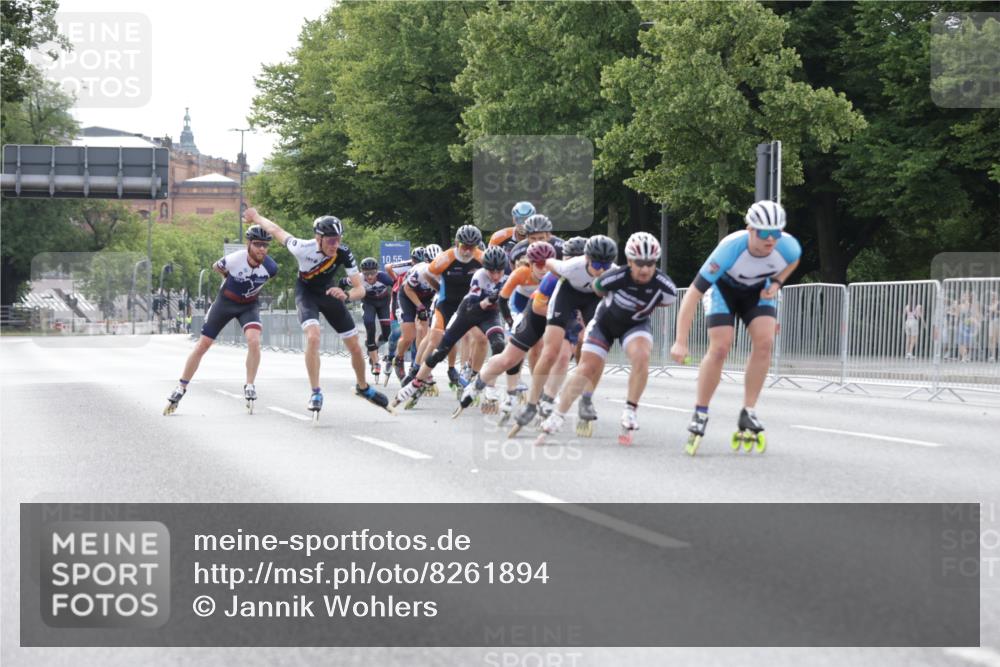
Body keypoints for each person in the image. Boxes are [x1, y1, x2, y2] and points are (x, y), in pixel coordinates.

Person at [670, 200, 801, 455]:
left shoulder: (788, 246)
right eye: (764, 233)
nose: (770, 239)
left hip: (757, 292)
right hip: (723, 290)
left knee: (765, 343)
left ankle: (748, 410)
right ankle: (700, 411)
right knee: (721, 347)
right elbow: (693, 295)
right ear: (750, 229)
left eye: (776, 233)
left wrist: (777, 282)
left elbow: (793, 261)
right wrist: (680, 340)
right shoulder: (730, 249)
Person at [244, 207, 390, 418]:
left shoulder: (344, 252)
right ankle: (315, 392)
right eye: (331, 240)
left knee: (356, 348)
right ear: (318, 238)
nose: (335, 245)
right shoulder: (302, 247)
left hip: (330, 293)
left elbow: (360, 289)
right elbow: (276, 230)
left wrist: (346, 295)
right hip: (307, 295)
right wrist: (256, 217)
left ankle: (363, 387)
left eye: (338, 239)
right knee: (313, 337)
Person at [537, 232, 677, 446]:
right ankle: (558, 415)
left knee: (641, 356)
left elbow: (666, 301)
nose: (645, 269)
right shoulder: (613, 276)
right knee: (586, 368)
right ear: (629, 261)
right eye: (639, 263)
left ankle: (630, 410)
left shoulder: (665, 286)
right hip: (604, 324)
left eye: (650, 263)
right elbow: (597, 289)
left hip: (635, 325)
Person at [508, 235, 618, 437]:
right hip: (566, 296)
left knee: (598, 350)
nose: (601, 270)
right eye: (596, 264)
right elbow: (549, 263)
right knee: (550, 352)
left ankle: (587, 399)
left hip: (592, 299)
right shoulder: (571, 266)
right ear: (586, 259)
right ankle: (532, 403)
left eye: (606, 265)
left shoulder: (614, 272)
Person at [164, 224, 278, 415]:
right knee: (203, 345)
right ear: (248, 244)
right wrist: (228, 278)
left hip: (248, 305)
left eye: (265, 245)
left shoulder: (271, 268)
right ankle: (181, 387)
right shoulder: (234, 259)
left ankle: (250, 385)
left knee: (254, 341)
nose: (262, 249)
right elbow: (216, 267)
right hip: (225, 303)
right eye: (257, 244)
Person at [393, 246, 510, 409]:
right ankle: (416, 379)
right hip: (467, 309)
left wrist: (510, 319)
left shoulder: (507, 272)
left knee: (494, 343)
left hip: (490, 312)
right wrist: (488, 300)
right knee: (438, 345)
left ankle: (481, 381)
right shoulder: (477, 275)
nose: (496, 276)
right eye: (492, 272)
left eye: (500, 272)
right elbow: (474, 308)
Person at [457, 241, 556, 419]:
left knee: (540, 350)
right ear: (530, 264)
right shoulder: (520, 273)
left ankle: (539, 392)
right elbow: (502, 301)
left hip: (542, 310)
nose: (543, 269)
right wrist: (510, 323)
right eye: (538, 265)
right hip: (519, 309)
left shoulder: (556, 276)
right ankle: (483, 384)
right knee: (510, 356)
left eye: (547, 264)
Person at [404, 225, 485, 393]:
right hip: (446, 303)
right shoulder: (446, 257)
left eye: (472, 247)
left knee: (474, 337)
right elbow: (427, 273)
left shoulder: (481, 257)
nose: (467, 251)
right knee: (434, 339)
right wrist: (438, 288)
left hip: (467, 304)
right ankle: (416, 370)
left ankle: (463, 371)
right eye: (464, 246)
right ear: (456, 243)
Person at [356, 257, 394, 382]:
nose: (370, 276)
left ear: (377, 271)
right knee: (370, 326)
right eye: (366, 273)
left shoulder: (384, 277)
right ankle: (376, 362)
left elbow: (397, 287)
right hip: (368, 303)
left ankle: (374, 346)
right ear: (362, 272)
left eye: (372, 273)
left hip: (384, 303)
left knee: (387, 335)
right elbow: (343, 282)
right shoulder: (358, 278)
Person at [987, 292, 999, 363]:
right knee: (991, 339)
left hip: (997, 321)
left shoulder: (998, 303)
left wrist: (995, 311)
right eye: (992, 296)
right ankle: (993, 355)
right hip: (991, 321)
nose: (992, 297)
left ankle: (995, 356)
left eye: (994, 295)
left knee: (996, 338)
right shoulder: (991, 304)